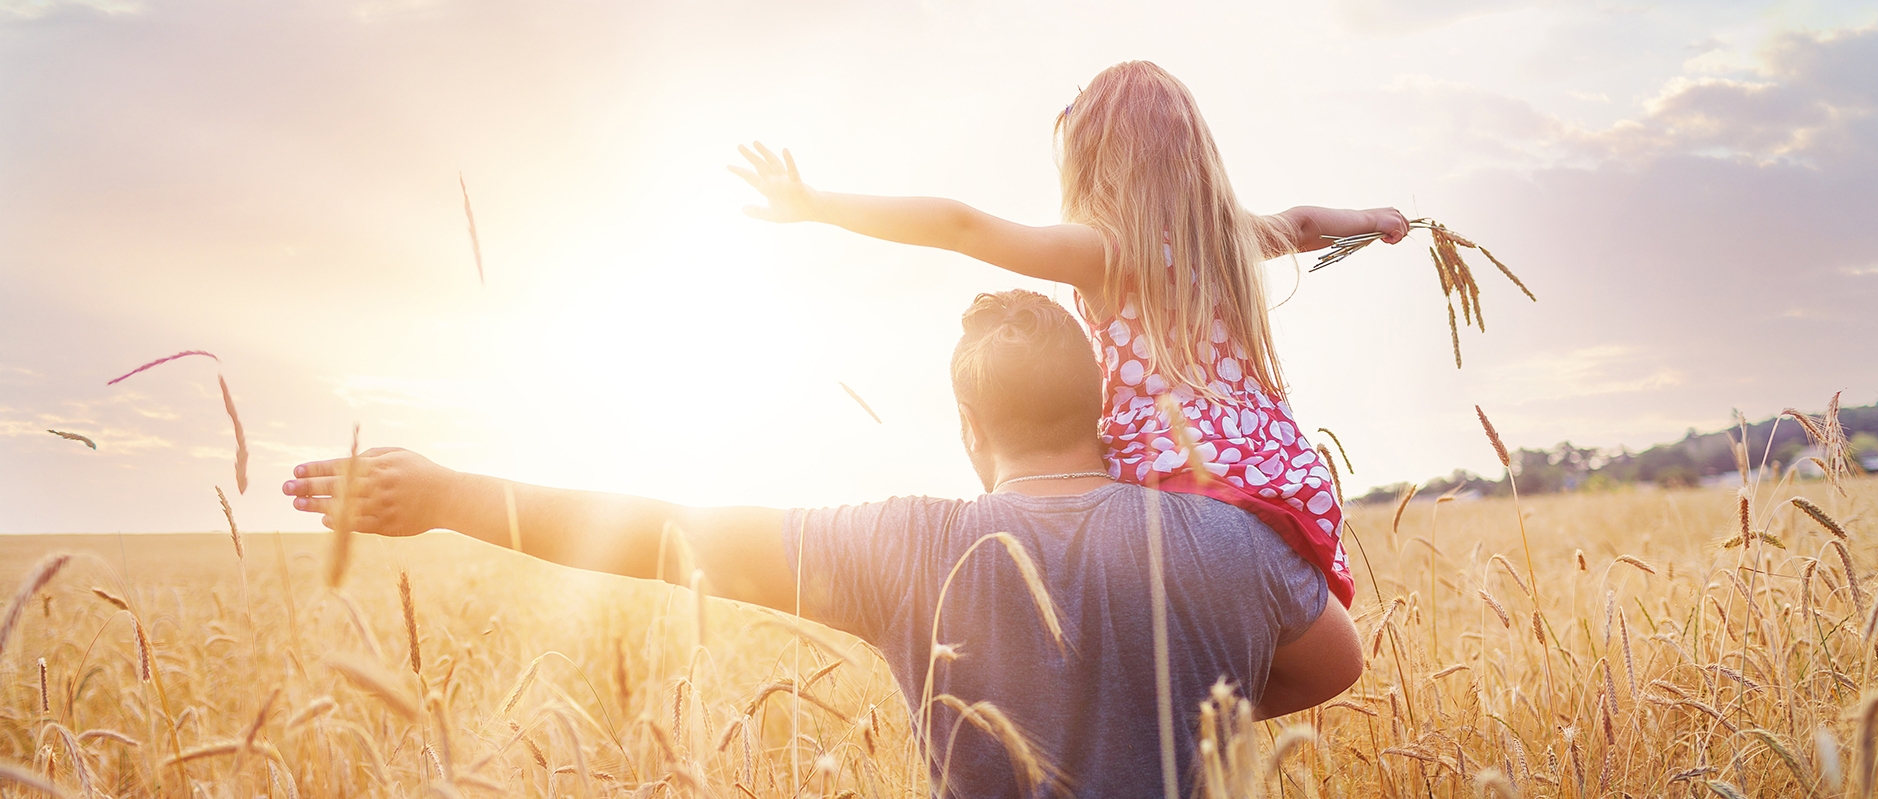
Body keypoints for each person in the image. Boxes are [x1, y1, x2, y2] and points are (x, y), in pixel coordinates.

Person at [284, 289, 1362, 798]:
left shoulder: (906, 543)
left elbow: (663, 536)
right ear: (1096, 404)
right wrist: (1173, 691)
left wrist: (451, 493)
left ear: (969, 426)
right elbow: (1337, 661)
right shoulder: (1226, 539)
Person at [731, 61, 1410, 610]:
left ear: (1096, 160)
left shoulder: (1108, 252)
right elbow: (1305, 222)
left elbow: (960, 225)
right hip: (1271, 480)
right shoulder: (1230, 242)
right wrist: (1373, 217)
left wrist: (820, 205)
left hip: (1162, 482)